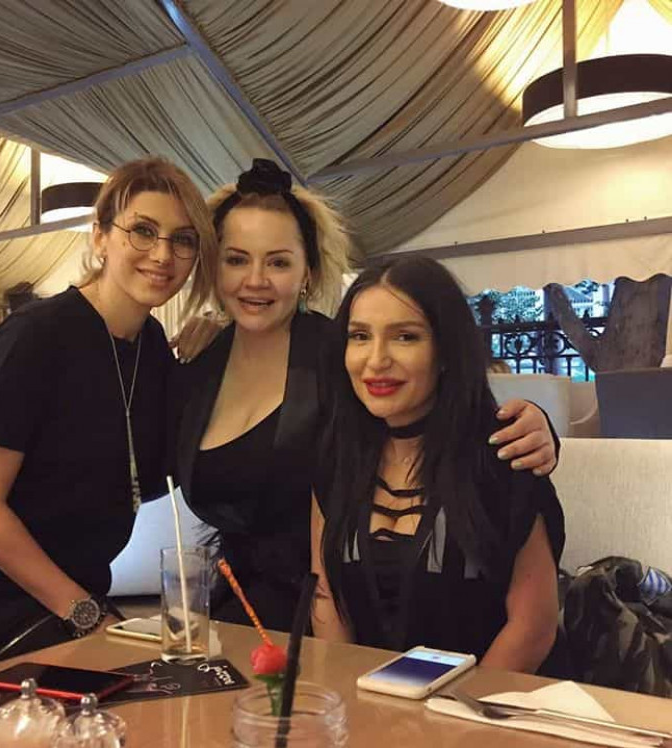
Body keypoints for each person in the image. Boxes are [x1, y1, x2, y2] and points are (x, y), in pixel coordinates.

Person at [173, 159, 559, 633]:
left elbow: (442, 409)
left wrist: (539, 423)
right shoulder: (198, 365)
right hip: (236, 610)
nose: (255, 280)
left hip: (346, 611)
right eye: (236, 259)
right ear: (213, 267)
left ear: (308, 271)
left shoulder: (345, 354)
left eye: (278, 262)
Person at [0, 157, 217, 677]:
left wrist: (215, 353)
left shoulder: (151, 348)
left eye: (183, 239)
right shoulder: (35, 337)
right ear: (100, 237)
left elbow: (157, 472)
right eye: (143, 231)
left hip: (76, 603)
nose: (163, 254)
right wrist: (85, 615)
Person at [311, 256, 564, 674]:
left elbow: (533, 628)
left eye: (405, 337)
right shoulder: (336, 454)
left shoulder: (504, 453)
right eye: (360, 336)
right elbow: (327, 600)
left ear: (446, 350)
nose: (376, 359)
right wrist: (346, 696)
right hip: (364, 699)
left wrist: (453, 709)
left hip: (484, 701)